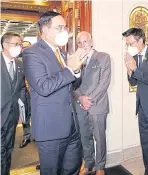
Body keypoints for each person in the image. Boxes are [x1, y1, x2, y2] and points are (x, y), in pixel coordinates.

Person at [22, 11, 88, 175]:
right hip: (51, 128)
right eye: (59, 28)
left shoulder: (63, 53)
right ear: (44, 29)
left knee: (72, 168)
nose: (64, 31)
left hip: (71, 125)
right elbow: (43, 87)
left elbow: (72, 85)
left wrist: (77, 71)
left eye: (65, 27)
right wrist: (70, 69)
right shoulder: (32, 53)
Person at [122, 28, 148, 175]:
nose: (128, 46)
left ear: (140, 40)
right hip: (141, 108)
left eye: (131, 43)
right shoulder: (136, 56)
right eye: (126, 43)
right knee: (146, 144)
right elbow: (134, 82)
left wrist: (135, 69)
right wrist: (129, 70)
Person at [73, 31, 111, 175]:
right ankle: (88, 164)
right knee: (84, 136)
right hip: (80, 104)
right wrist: (80, 98)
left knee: (99, 138)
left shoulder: (103, 57)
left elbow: (104, 82)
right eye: (80, 43)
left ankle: (100, 167)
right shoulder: (75, 60)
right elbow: (72, 83)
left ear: (92, 41)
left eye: (85, 41)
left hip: (97, 105)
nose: (83, 45)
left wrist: (90, 99)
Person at [1, 32, 26, 175]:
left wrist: (23, 110)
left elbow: (21, 87)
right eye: (16, 44)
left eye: (20, 44)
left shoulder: (19, 64)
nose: (19, 47)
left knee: (8, 150)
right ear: (5, 45)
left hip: (12, 117)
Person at [18, 41, 32, 148]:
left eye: (26, 47)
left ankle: (36, 134)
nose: (24, 49)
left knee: (36, 113)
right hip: (22, 91)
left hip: (34, 91)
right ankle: (27, 136)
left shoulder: (35, 59)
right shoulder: (18, 61)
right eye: (22, 47)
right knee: (24, 114)